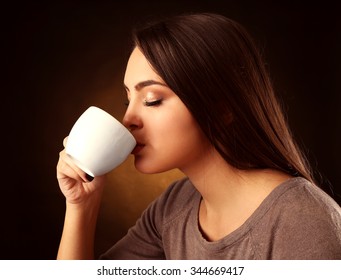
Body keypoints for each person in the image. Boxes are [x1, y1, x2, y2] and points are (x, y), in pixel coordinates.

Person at [56, 12, 341, 259]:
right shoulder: (174, 206)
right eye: (127, 100)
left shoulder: (302, 220)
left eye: (152, 99)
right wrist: (81, 206)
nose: (128, 120)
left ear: (222, 109)